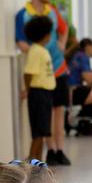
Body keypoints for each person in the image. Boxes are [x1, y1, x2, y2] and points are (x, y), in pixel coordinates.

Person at [16, 0, 71, 165]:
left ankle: (58, 150)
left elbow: (64, 30)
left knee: (58, 112)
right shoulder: (23, 14)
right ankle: (42, 157)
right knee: (41, 126)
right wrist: (33, 51)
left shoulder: (53, 11)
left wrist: (62, 45)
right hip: (40, 83)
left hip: (57, 70)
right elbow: (21, 41)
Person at [21, 16, 56, 162]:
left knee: (42, 133)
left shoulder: (42, 50)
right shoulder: (36, 51)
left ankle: (38, 164)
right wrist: (27, 90)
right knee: (38, 133)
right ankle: (32, 163)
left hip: (45, 94)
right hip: (38, 94)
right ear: (45, 34)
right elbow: (28, 73)